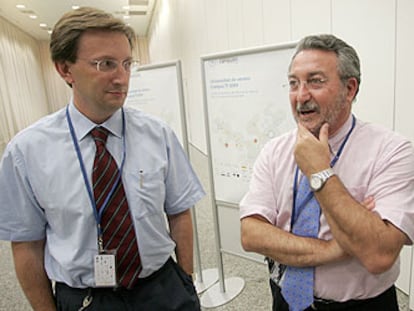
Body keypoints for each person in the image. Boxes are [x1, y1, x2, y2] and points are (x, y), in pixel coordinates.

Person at [0, 7, 205, 311]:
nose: (121, 78)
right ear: (64, 69)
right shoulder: (26, 152)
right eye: (105, 64)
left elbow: (179, 212)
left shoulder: (157, 135)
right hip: (86, 299)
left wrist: (184, 280)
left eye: (126, 64)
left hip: (162, 289)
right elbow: (27, 244)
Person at [240, 34, 414, 311]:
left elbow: (378, 255)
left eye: (315, 81)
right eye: (294, 83)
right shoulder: (275, 150)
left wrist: (320, 172)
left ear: (350, 89)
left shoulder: (391, 150)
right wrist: (339, 248)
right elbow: (251, 234)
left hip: (362, 305)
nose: (301, 96)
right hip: (286, 299)